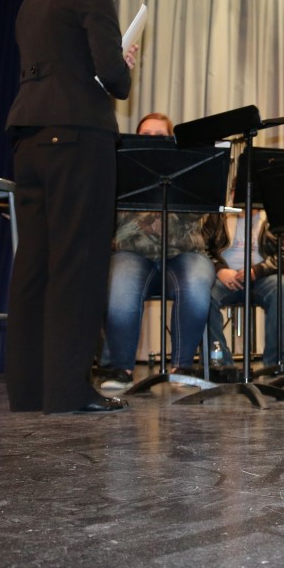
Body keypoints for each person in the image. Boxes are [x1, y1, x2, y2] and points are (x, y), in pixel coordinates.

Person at [5, 0, 136, 414]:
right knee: (78, 263)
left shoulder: (32, 0)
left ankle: (29, 390)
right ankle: (67, 391)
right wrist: (122, 63)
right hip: (78, 136)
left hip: (29, 137)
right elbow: (112, 78)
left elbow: (61, 65)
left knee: (34, 263)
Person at [97, 114, 217, 391]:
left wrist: (149, 221)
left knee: (197, 280)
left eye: (160, 135)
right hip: (131, 254)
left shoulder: (189, 165)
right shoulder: (119, 164)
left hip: (185, 254)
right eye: (146, 134)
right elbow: (112, 218)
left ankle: (182, 367)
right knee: (120, 281)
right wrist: (150, 222)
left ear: (171, 139)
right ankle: (122, 369)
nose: (152, 139)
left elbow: (198, 215)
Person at [205, 207, 284, 370]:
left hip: (263, 277)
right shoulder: (218, 216)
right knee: (203, 296)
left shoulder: (274, 215)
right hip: (224, 279)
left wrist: (257, 271)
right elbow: (201, 248)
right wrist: (219, 269)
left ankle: (278, 361)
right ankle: (218, 361)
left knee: (282, 288)